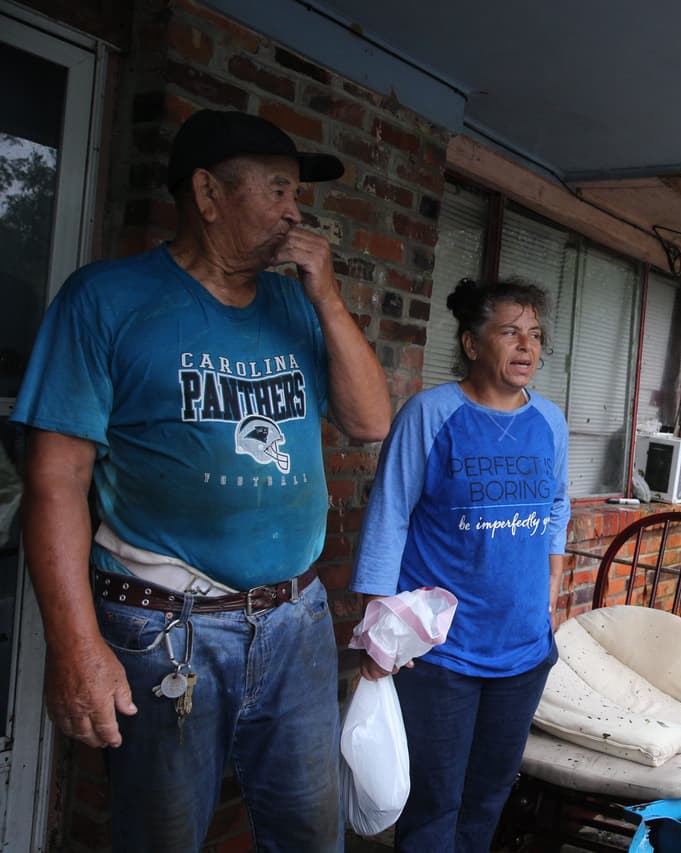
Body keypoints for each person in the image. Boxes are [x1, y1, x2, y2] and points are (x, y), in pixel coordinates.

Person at [14, 109, 391, 852]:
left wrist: (327, 298)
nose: (295, 209)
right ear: (209, 194)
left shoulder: (293, 303)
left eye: (295, 192)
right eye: (278, 189)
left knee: (313, 835)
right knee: (163, 837)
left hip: (295, 619)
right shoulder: (106, 301)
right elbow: (55, 481)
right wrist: (76, 645)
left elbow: (371, 420)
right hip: (163, 627)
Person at [351, 277, 569, 852]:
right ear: (473, 344)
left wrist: (552, 573)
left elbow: (556, 502)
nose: (526, 347)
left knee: (488, 797)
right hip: (441, 649)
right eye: (509, 332)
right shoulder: (431, 413)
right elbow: (391, 512)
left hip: (522, 648)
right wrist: (379, 631)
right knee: (433, 803)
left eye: (535, 335)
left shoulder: (550, 421)